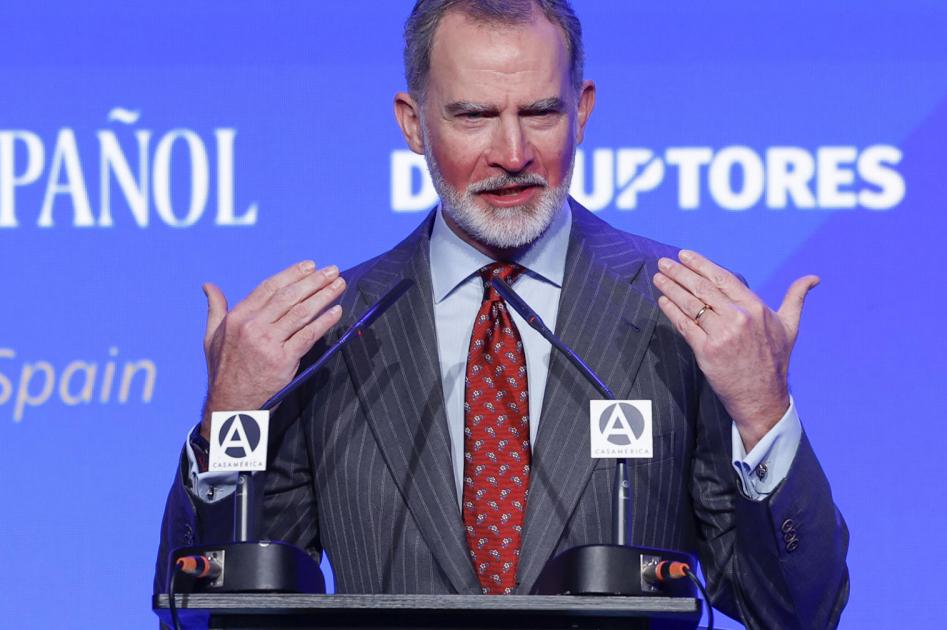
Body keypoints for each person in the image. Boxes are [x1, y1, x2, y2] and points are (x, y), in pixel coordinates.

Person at [155, 1, 849, 627]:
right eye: (474, 116)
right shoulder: (330, 332)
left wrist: (763, 413)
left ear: (583, 109)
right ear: (413, 123)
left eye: (541, 113)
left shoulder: (681, 312)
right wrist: (227, 422)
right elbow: (211, 619)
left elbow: (798, 612)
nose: (513, 154)